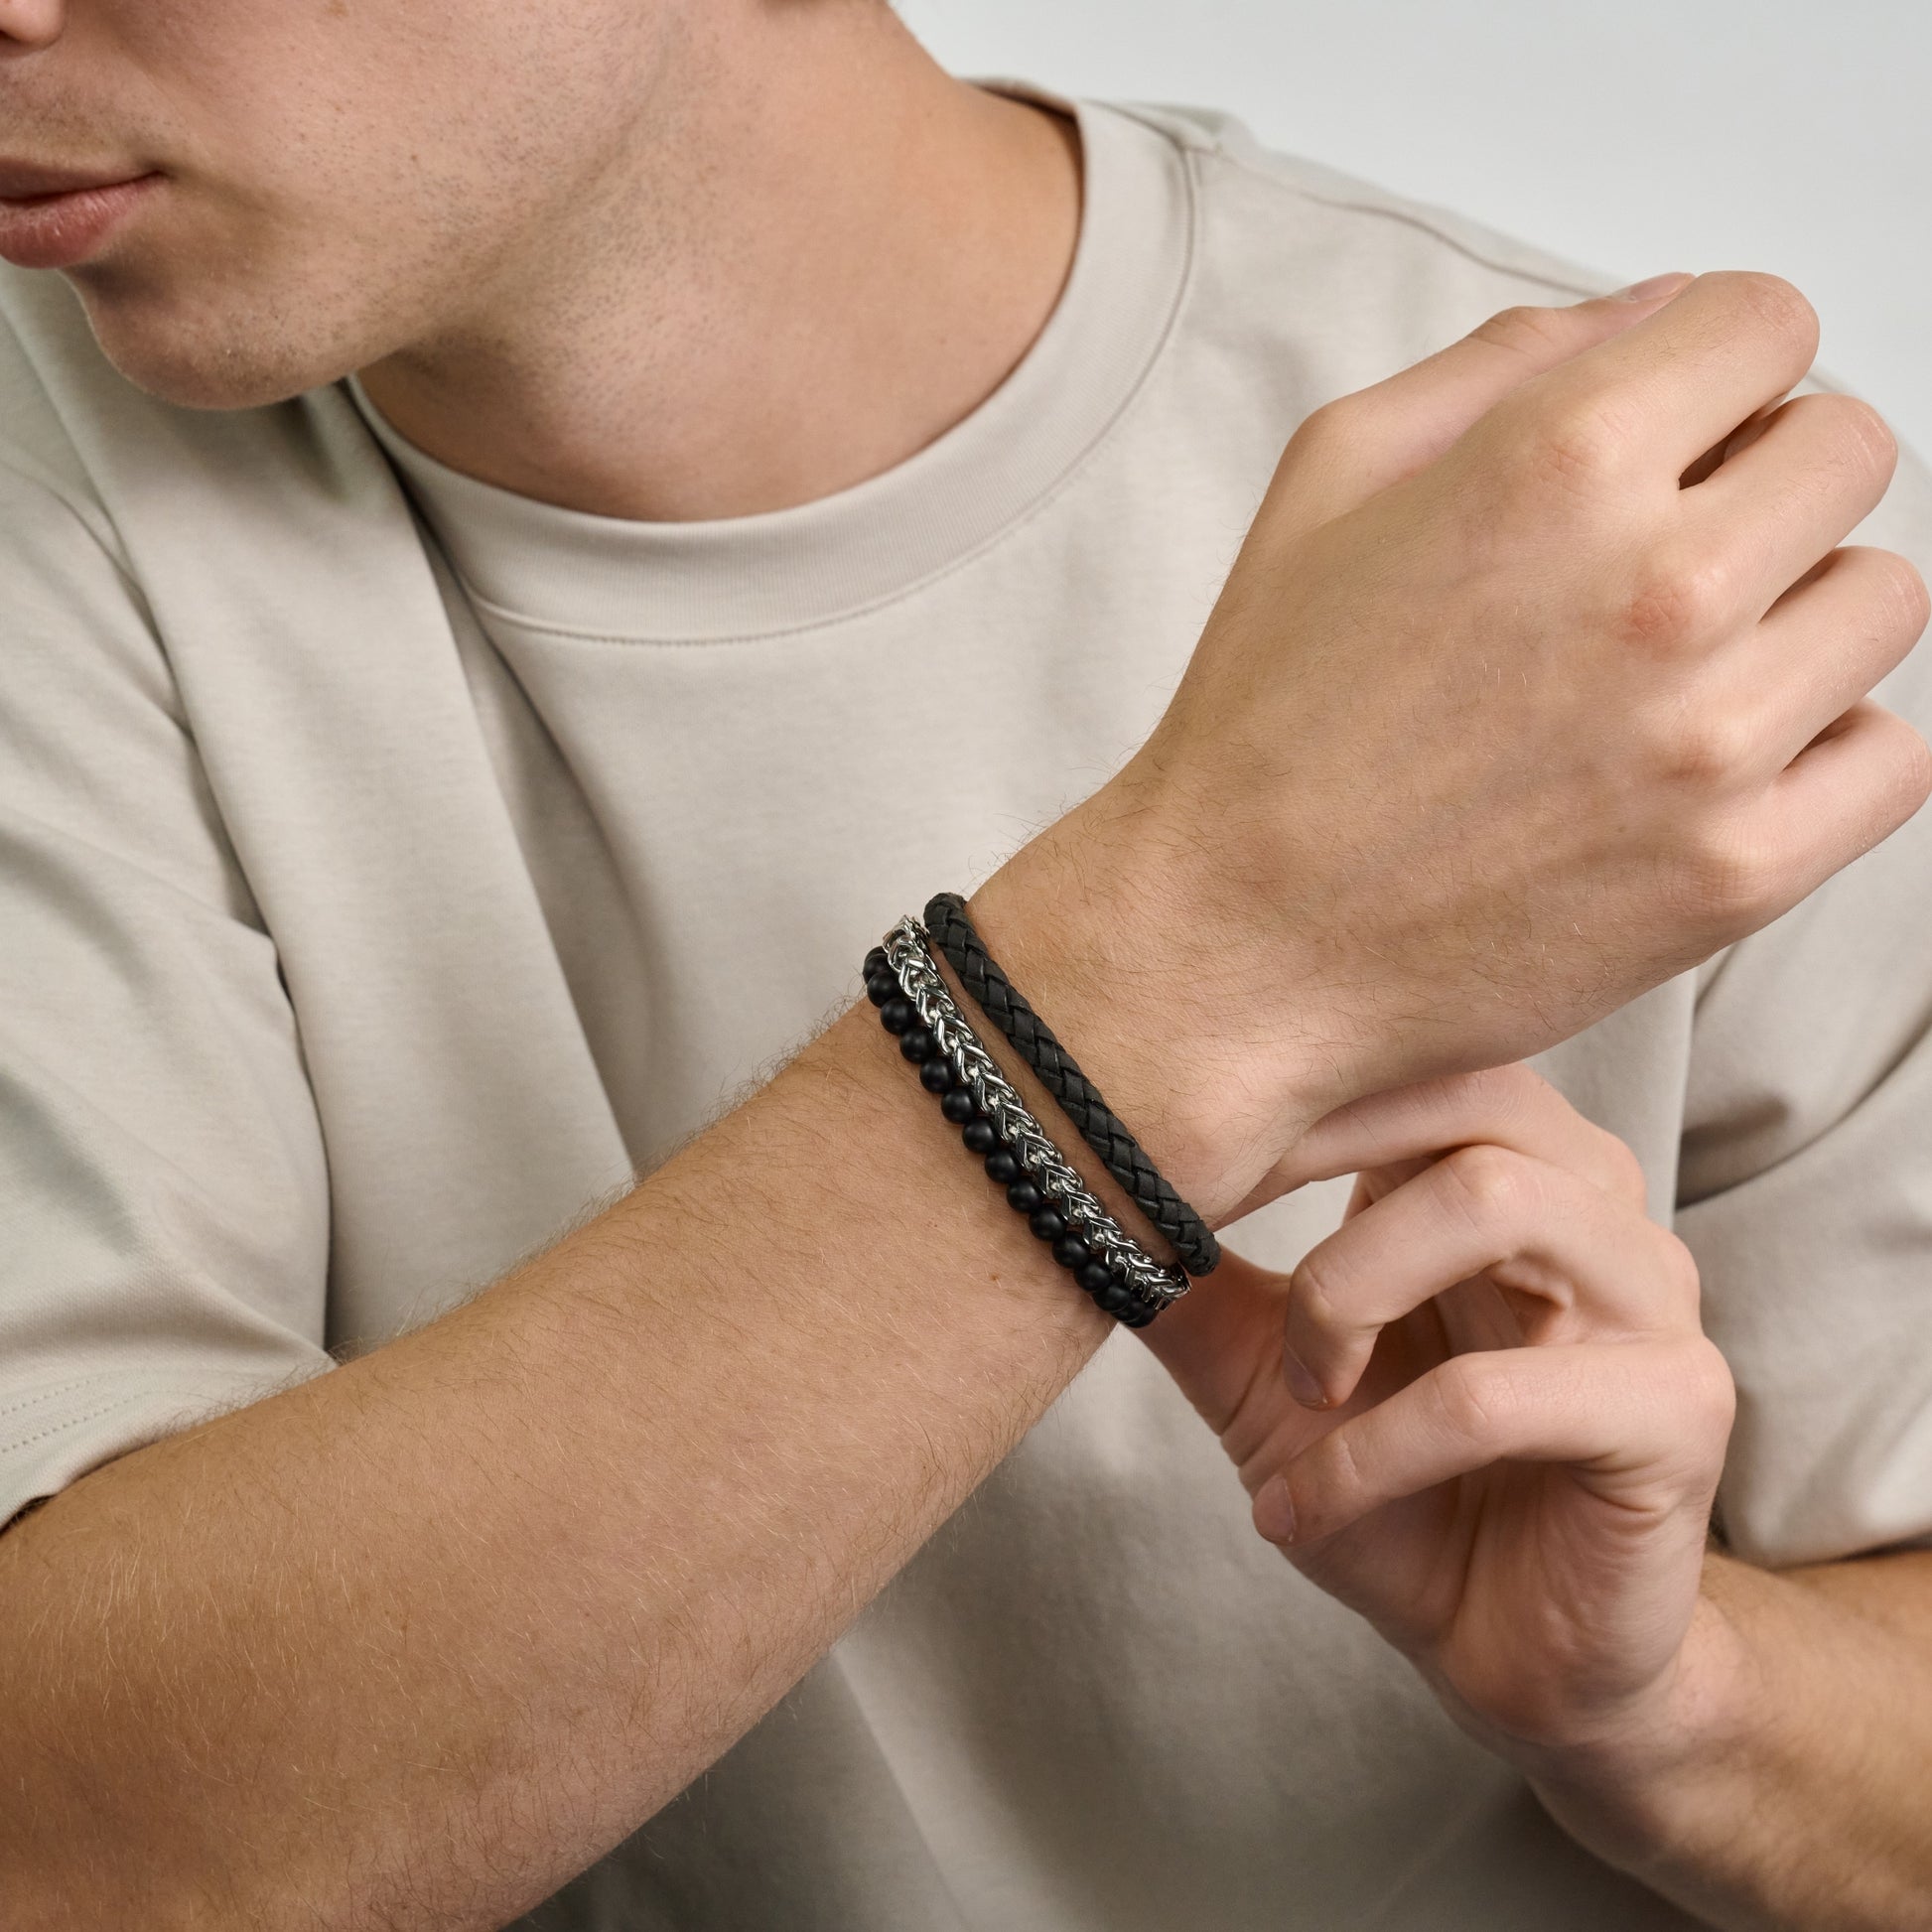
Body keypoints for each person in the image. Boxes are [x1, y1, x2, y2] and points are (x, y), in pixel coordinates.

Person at [1, 0, 1928, 1925]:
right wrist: (1199, 949)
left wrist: (1675, 1704)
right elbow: (65, 1846)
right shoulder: (46, 505)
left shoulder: (1638, 563)